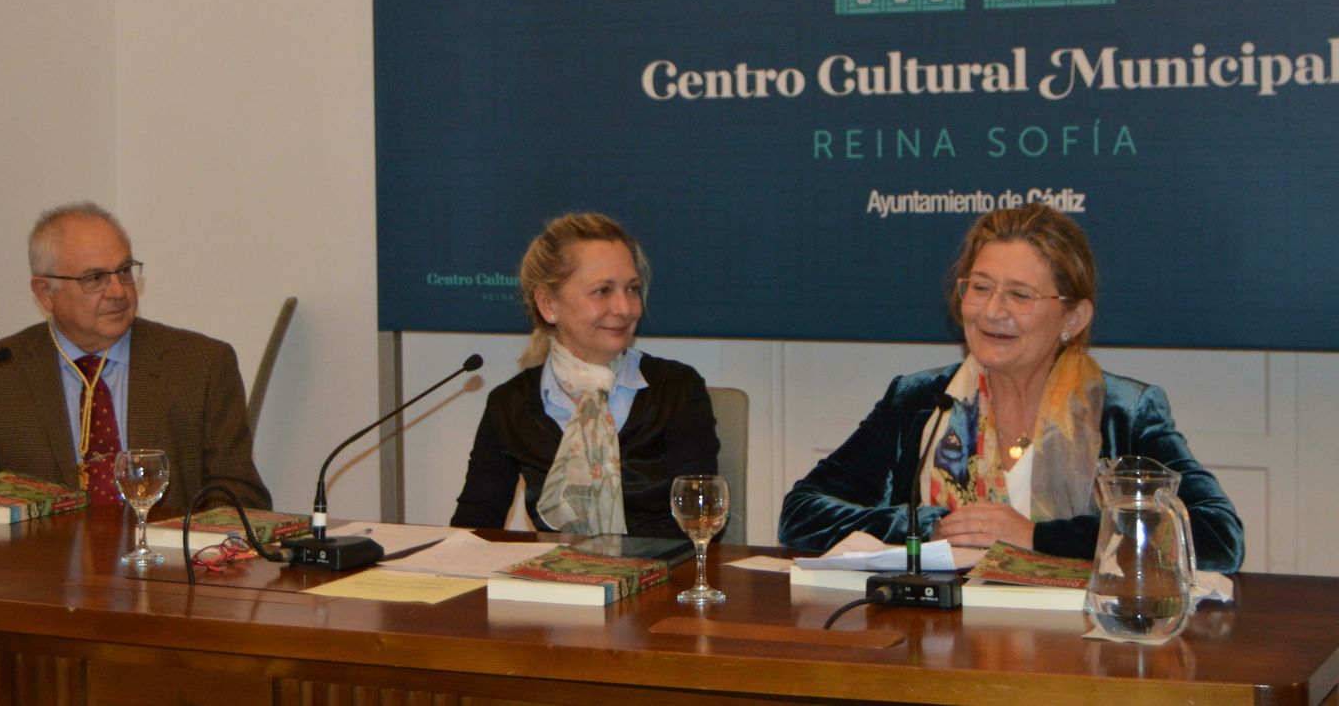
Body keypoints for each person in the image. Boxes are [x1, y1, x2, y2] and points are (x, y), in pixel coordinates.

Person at [777, 204, 1244, 572]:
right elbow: (800, 514)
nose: (992, 311)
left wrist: (1036, 538)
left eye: (1020, 295)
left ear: (1073, 318)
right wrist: (929, 528)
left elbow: (1217, 537)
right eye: (980, 288)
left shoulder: (1122, 412)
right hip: (932, 640)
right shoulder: (921, 401)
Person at [0, 202, 270, 510]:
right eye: (95, 279)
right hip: (44, 562)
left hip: (167, 561)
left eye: (124, 271)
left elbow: (240, 494)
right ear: (45, 292)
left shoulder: (201, 365)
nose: (118, 291)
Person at [451, 213, 719, 538]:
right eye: (602, 291)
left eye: (632, 289)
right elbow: (474, 527)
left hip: (660, 581)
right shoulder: (511, 404)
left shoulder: (676, 388)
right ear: (549, 304)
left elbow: (701, 523)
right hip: (554, 584)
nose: (625, 307)